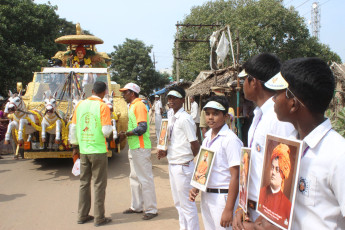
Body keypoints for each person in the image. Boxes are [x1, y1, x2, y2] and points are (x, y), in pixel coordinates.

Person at [254, 57, 345, 229]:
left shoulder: (338, 155)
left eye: (277, 93)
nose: (273, 99)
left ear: (293, 104)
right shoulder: (290, 146)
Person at [233, 53, 294, 230]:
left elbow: (285, 171)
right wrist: (242, 205)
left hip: (267, 218)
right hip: (252, 210)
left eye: (244, 79)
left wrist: (270, 218)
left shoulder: (277, 118)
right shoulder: (260, 115)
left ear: (254, 82)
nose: (242, 85)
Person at [189, 96, 242, 230]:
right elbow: (204, 166)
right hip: (207, 195)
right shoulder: (207, 138)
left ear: (225, 116)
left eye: (215, 113)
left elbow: (236, 175)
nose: (210, 117)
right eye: (207, 114)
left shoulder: (230, 140)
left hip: (222, 198)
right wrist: (196, 186)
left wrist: (229, 209)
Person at [157, 86, 200, 230]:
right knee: (178, 203)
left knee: (187, 205)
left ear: (183, 100)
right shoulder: (170, 115)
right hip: (173, 163)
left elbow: (194, 144)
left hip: (183, 165)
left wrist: (187, 160)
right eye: (169, 98)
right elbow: (172, 139)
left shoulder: (185, 119)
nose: (171, 100)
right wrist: (166, 151)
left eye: (175, 98)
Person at [70, 81, 112, 227]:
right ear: (104, 92)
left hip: (84, 150)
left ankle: (82, 215)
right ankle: (99, 218)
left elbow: (73, 128)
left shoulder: (80, 105)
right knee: (99, 184)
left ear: (92, 90)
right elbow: (106, 131)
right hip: (98, 150)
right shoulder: (103, 106)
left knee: (84, 183)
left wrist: (75, 145)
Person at [118, 83, 158, 220]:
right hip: (134, 146)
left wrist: (126, 134)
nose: (123, 95)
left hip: (141, 147)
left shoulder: (139, 105)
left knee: (145, 178)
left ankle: (151, 209)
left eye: (125, 92)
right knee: (134, 177)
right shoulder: (132, 106)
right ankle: (137, 206)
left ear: (132, 93)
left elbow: (142, 128)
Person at [258, 143, 292, 227]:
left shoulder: (287, 204)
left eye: (277, 169)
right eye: (272, 168)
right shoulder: (262, 192)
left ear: (283, 174)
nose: (273, 172)